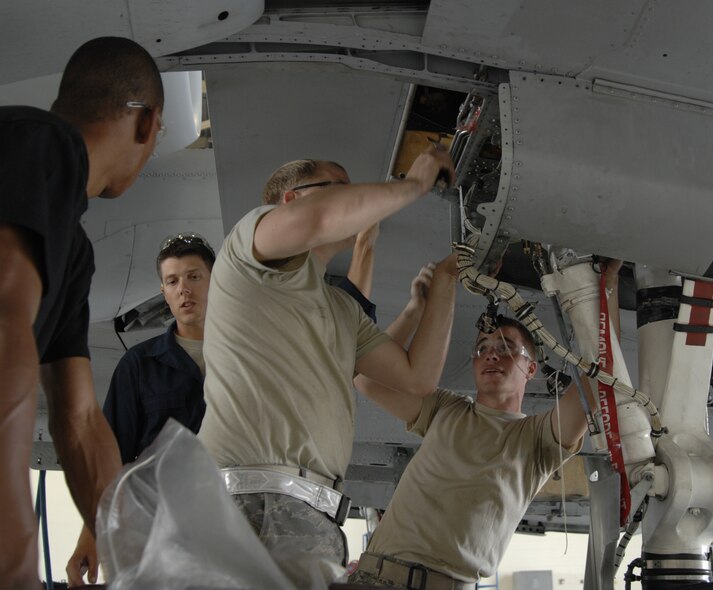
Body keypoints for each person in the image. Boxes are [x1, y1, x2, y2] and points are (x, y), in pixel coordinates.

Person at [197, 151, 458, 579]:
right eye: (340, 188)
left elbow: (417, 377)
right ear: (289, 201)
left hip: (313, 514)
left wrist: (447, 280)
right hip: (247, 501)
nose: (353, 199)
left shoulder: (342, 309)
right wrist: (412, 186)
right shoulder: (250, 249)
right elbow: (316, 221)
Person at [0, 37, 165, 589]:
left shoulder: (72, 251)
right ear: (148, 125)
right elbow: (4, 329)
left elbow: (80, 421)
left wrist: (133, 558)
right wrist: (16, 554)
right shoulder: (39, 144)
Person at [349, 262, 624, 589]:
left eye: (507, 347)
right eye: (483, 348)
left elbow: (600, 376)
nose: (492, 354)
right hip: (369, 578)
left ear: (531, 368)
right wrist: (415, 310)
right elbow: (367, 379)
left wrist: (607, 288)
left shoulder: (537, 440)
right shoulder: (444, 409)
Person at [64, 232, 216, 586]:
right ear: (163, 292)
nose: (184, 289)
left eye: (194, 277)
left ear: (215, 281)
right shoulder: (140, 364)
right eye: (172, 281)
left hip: (233, 523)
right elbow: (111, 453)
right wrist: (91, 535)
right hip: (155, 530)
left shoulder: (244, 359)